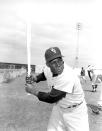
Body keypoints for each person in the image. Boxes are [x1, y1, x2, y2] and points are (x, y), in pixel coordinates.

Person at [25, 47, 89, 131]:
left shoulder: (67, 76)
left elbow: (52, 98)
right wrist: (35, 78)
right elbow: (45, 75)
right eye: (53, 62)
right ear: (48, 64)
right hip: (59, 108)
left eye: (59, 60)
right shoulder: (48, 69)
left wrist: (32, 91)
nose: (58, 64)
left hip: (76, 113)